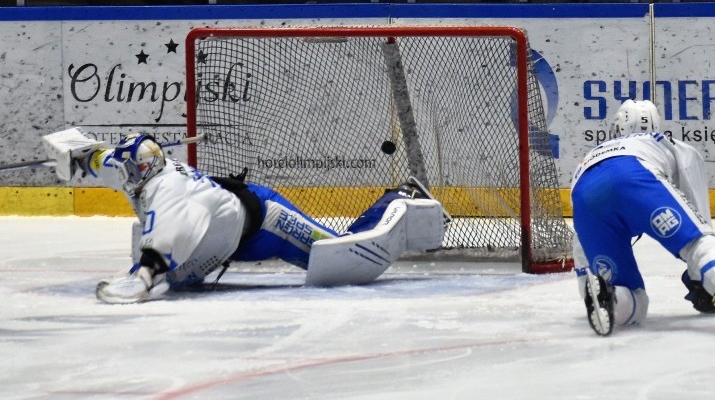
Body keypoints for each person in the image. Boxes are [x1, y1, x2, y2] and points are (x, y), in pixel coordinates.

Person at [41, 128, 447, 304]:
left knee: (344, 261)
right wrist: (69, 156)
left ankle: (400, 196)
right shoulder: (136, 164)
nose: (126, 174)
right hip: (222, 239)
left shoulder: (167, 190)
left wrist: (142, 277)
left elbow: (161, 234)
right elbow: (96, 157)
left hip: (264, 222)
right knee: (179, 281)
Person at [570, 100, 715, 336]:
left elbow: (580, 240)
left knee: (636, 304)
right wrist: (701, 280)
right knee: (702, 244)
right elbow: (699, 227)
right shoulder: (669, 145)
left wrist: (589, 280)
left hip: (584, 196)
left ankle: (611, 296)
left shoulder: (590, 156)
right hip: (634, 176)